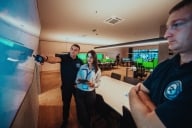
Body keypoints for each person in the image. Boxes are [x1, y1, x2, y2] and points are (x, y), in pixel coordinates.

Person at [129, 1, 192, 128]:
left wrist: (132, 92)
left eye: (177, 24)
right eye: (168, 27)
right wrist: (155, 110)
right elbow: (142, 90)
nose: (166, 34)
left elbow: (148, 124)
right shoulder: (165, 65)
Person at [39, 44, 83, 128]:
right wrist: (46, 58)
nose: (73, 51)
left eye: (75, 50)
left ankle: (80, 119)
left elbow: (82, 73)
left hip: (77, 87)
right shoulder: (64, 57)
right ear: (70, 49)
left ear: (78, 52)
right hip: (66, 87)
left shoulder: (80, 61)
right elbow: (54, 59)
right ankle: (65, 120)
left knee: (79, 104)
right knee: (66, 104)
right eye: (72, 49)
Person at [75, 50, 101, 128]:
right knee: (82, 110)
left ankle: (87, 124)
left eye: (91, 57)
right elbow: (77, 78)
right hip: (80, 91)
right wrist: (78, 82)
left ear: (94, 58)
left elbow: (98, 82)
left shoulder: (97, 70)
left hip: (90, 93)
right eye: (88, 57)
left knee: (89, 110)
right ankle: (86, 125)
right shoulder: (82, 66)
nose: (89, 59)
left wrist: (94, 84)